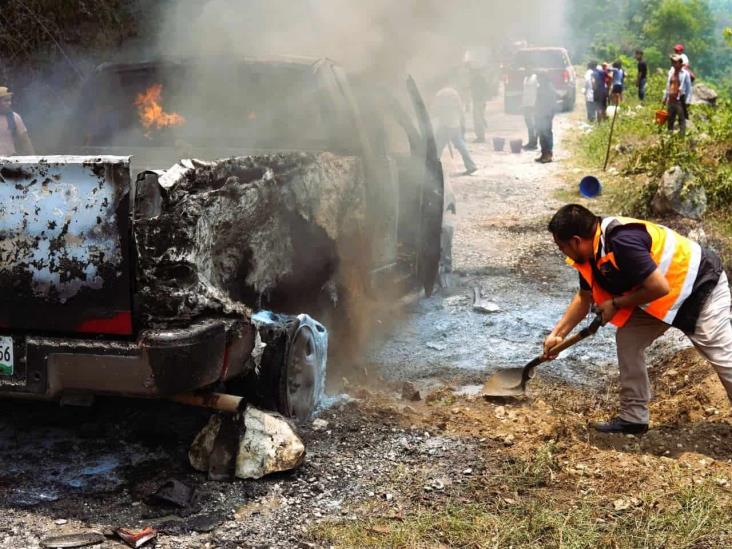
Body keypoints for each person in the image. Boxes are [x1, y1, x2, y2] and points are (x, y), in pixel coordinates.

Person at [545, 204, 730, 434]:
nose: (562, 252)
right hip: (664, 296)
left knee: (724, 358)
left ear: (575, 241)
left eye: (562, 247)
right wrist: (557, 334)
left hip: (700, 287)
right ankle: (634, 419)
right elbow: (584, 298)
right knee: (629, 340)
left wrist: (615, 304)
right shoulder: (591, 253)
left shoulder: (622, 242)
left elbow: (658, 286)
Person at [433, 86, 478, 175]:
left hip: (444, 126)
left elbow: (436, 110)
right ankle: (471, 166)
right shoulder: (454, 93)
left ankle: (433, 168)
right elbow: (461, 110)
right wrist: (462, 124)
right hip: (455, 125)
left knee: (437, 148)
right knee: (461, 146)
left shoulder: (439, 94)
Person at [0, 86, 34, 156]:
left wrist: (33, 159)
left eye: (10, 100)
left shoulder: (14, 117)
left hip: (9, 161)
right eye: (6, 100)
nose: (9, 103)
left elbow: (25, 141)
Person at [663, 54, 692, 137]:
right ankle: (669, 136)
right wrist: (665, 97)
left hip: (679, 100)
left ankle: (681, 137)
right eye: (672, 62)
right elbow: (668, 86)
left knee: (681, 119)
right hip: (671, 99)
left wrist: (688, 101)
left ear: (680, 63)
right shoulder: (671, 73)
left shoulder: (685, 74)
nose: (673, 64)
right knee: (670, 119)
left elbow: (689, 88)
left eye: (675, 62)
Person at [534, 71, 558, 164]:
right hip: (540, 114)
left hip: (546, 114)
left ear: (543, 78)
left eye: (539, 79)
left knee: (546, 133)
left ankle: (548, 155)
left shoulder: (549, 87)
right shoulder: (540, 87)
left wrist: (549, 114)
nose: (538, 81)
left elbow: (552, 103)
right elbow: (538, 101)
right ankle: (543, 154)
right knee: (541, 134)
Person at [521, 72, 538, 150]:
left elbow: (538, 90)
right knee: (528, 124)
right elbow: (525, 92)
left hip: (532, 104)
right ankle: (531, 141)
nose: (527, 69)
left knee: (532, 124)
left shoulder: (535, 78)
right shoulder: (525, 78)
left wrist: (536, 103)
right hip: (526, 104)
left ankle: (534, 143)